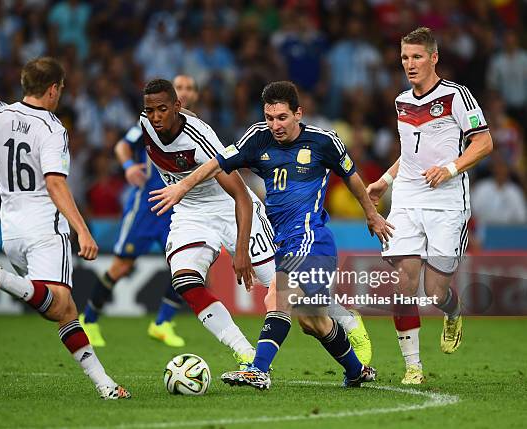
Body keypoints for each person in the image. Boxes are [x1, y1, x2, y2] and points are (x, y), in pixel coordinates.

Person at [150, 81, 391, 389]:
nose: (275, 125)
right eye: (269, 117)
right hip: (283, 240)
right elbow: (217, 163)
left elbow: (352, 178)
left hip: (311, 236)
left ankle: (257, 368)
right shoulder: (258, 138)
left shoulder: (323, 141)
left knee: (277, 295)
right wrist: (182, 186)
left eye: (282, 118)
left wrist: (371, 214)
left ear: (298, 114)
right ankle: (356, 371)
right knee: (311, 320)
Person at [0, 57, 130, 400]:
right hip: (44, 229)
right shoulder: (52, 129)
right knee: (59, 305)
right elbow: (55, 184)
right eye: (61, 88)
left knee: (65, 312)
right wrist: (81, 229)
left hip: (11, 231)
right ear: (53, 89)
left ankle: (106, 386)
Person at [366, 27, 493, 384]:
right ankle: (413, 367)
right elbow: (410, 155)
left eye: (417, 56)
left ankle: (452, 311)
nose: (410, 63)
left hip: (448, 200)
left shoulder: (457, 96)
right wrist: (386, 181)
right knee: (403, 280)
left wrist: (450, 168)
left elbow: (484, 143)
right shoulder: (402, 101)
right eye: (405, 57)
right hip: (407, 196)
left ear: (434, 58)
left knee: (435, 292)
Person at [140, 78, 279, 368]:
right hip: (191, 213)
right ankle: (245, 352)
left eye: (162, 110)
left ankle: (343, 319)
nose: (155, 117)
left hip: (230, 208)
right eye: (150, 110)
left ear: (177, 107)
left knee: (284, 289)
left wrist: (240, 251)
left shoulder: (200, 140)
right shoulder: (144, 123)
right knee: (185, 280)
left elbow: (240, 195)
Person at [81, 75, 199, 348]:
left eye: (190, 88)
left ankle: (163, 323)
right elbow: (122, 146)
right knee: (123, 265)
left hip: (178, 208)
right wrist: (128, 167)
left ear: (193, 97)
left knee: (186, 266)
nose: (185, 91)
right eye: (180, 86)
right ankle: (88, 319)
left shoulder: (198, 127)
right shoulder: (149, 122)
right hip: (147, 205)